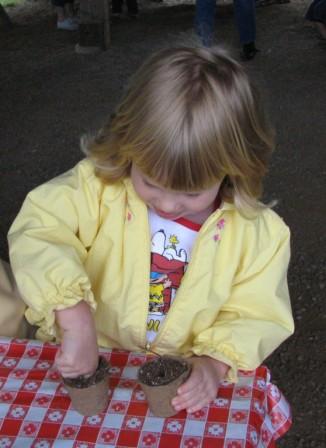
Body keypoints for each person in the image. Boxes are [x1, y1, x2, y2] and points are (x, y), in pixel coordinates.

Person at [5, 46, 294, 414]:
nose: (168, 205)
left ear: (234, 168)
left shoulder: (259, 236)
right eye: (150, 182)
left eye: (191, 192)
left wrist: (214, 362)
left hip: (179, 378)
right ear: (127, 148)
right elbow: (39, 230)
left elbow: (255, 313)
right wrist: (72, 312)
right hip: (94, 356)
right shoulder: (97, 188)